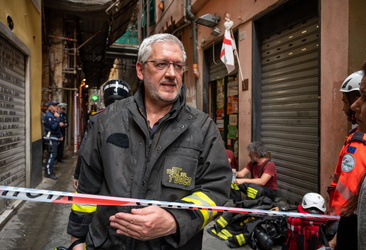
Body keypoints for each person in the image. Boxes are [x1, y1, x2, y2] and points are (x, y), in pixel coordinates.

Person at [67, 33, 232, 249]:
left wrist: (174, 220)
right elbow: (87, 188)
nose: (172, 74)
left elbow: (216, 190)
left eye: (178, 66)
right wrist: (77, 240)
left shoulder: (202, 127)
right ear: (140, 70)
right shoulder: (107, 121)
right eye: (161, 64)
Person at [330, 54, 366, 250]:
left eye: (365, 97)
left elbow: (348, 189)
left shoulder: (360, 142)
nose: (346, 107)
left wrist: (337, 231)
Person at [73, 79, 131, 190]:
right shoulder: (137, 120)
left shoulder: (96, 119)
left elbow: (85, 150)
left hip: (99, 173)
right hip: (127, 178)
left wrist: (77, 174)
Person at [328, 70, 363, 216]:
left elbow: (347, 190)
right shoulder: (358, 136)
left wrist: (335, 224)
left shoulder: (359, 144)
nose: (343, 108)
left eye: (344, 101)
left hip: (346, 221)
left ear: (356, 100)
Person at [43, 101, 62, 180]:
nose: (55, 107)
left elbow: (57, 128)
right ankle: (48, 173)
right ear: (50, 107)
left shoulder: (53, 115)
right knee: (51, 155)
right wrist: (57, 118)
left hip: (55, 137)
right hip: (50, 137)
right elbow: (53, 127)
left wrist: (60, 135)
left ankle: (49, 171)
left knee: (53, 155)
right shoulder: (49, 116)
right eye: (54, 106)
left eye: (56, 106)